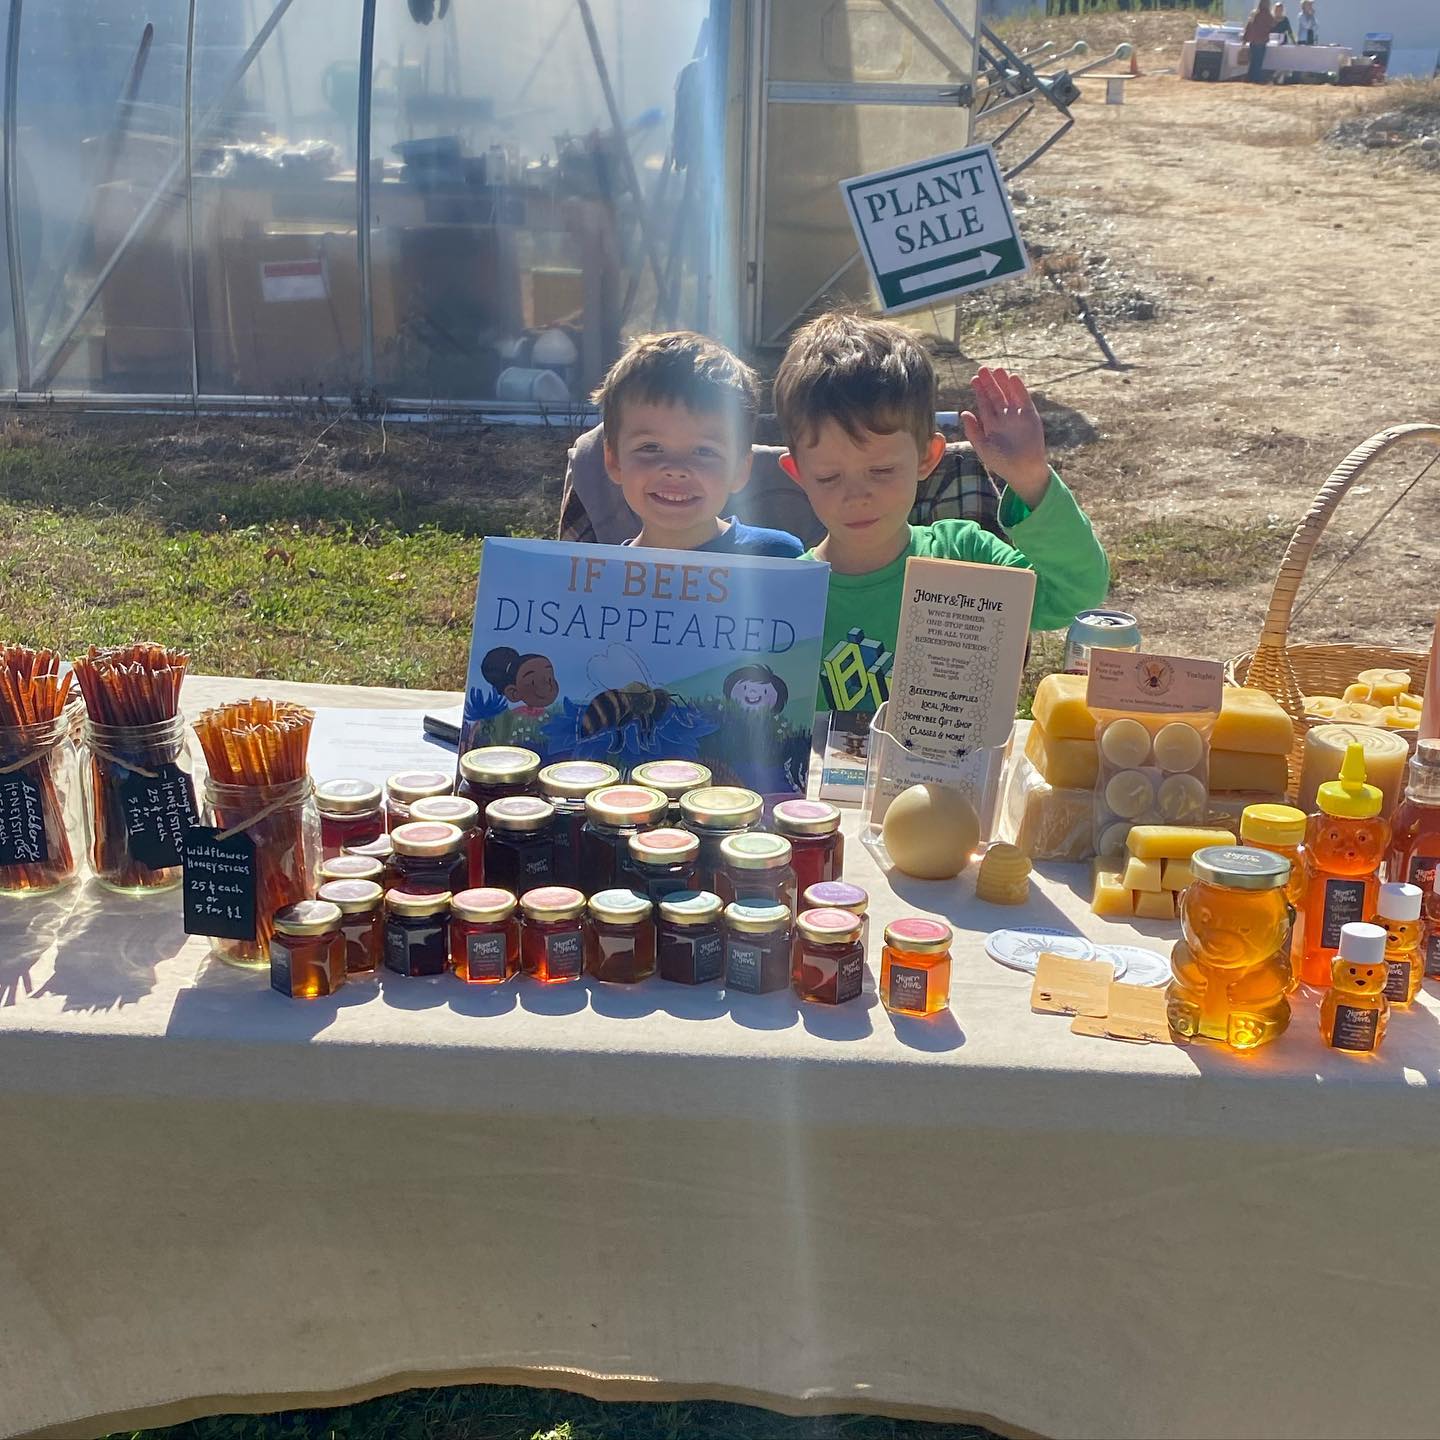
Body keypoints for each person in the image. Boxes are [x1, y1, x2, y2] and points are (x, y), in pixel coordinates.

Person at [773, 311, 1109, 712]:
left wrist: (1031, 478)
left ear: (928, 458)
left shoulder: (964, 556)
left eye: (881, 471)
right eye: (829, 477)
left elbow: (1074, 593)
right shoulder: (785, 596)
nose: (857, 495)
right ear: (798, 474)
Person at [592, 330, 805, 557]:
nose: (675, 470)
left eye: (704, 451)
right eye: (650, 447)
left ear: (740, 470)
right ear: (614, 461)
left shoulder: (777, 557)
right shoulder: (599, 577)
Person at [1243, 1, 1275, 82]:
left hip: (1253, 42)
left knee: (1253, 61)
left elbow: (1249, 26)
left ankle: (1250, 77)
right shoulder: (1267, 15)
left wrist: (1245, 38)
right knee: (1258, 62)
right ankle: (1256, 78)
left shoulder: (1254, 13)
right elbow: (1272, 24)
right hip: (1261, 42)